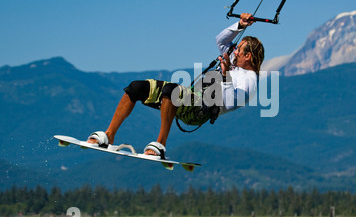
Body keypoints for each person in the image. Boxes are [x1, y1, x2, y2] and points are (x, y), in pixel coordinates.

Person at [87, 13, 264, 158]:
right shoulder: (234, 59)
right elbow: (221, 41)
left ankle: (160, 146)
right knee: (136, 88)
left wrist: (224, 74)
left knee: (171, 91)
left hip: (202, 109)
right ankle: (109, 135)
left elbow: (230, 102)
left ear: (248, 56)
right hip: (191, 97)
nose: (234, 51)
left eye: (239, 50)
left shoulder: (249, 81)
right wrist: (240, 25)